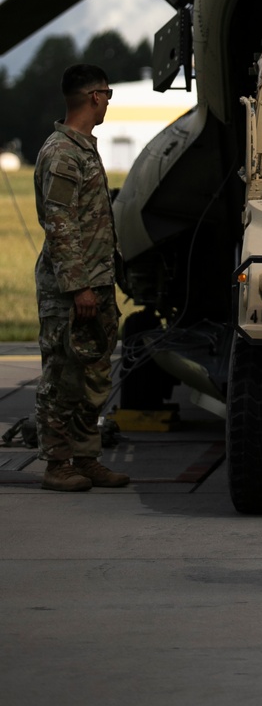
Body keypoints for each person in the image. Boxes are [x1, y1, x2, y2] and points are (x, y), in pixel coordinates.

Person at [33, 64, 129, 492]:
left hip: (96, 281)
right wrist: (79, 288)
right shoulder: (62, 153)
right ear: (94, 97)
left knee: (94, 374)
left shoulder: (84, 148)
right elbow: (60, 224)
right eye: (107, 94)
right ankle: (57, 463)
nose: (108, 101)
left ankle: (86, 457)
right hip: (71, 288)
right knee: (63, 375)